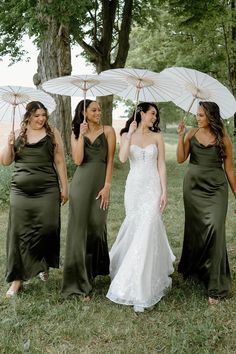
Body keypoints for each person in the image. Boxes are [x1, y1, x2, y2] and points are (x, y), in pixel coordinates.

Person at [106, 102, 175, 313]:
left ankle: (142, 285)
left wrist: (164, 191)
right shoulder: (126, 133)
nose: (155, 117)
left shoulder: (157, 136)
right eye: (152, 113)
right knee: (136, 227)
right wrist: (129, 135)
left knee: (148, 226)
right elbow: (122, 158)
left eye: (156, 114)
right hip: (134, 187)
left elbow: (161, 163)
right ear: (141, 113)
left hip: (152, 186)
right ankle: (130, 271)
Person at [0, 101, 68, 298]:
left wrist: (65, 187)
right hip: (20, 191)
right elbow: (5, 161)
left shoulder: (52, 133)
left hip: (47, 190)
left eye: (44, 115)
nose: (41, 119)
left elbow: (60, 160)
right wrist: (8, 143)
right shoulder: (18, 134)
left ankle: (41, 263)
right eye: (37, 115)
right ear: (28, 115)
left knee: (47, 228)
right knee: (19, 233)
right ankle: (17, 280)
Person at [177, 101, 236, 305]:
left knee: (215, 228)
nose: (197, 118)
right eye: (197, 114)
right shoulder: (191, 133)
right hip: (193, 188)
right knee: (196, 229)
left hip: (216, 189)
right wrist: (180, 136)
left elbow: (229, 170)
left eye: (201, 115)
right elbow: (180, 158)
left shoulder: (224, 139)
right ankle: (196, 269)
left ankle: (216, 284)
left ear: (211, 116)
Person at [61, 99, 116, 298]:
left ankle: (91, 271)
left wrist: (107, 185)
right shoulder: (76, 132)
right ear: (84, 112)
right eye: (94, 110)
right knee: (79, 230)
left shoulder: (108, 131)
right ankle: (79, 281)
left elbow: (110, 159)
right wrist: (81, 135)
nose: (98, 112)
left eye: (99, 109)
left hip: (100, 184)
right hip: (81, 185)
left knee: (96, 225)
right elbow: (77, 160)